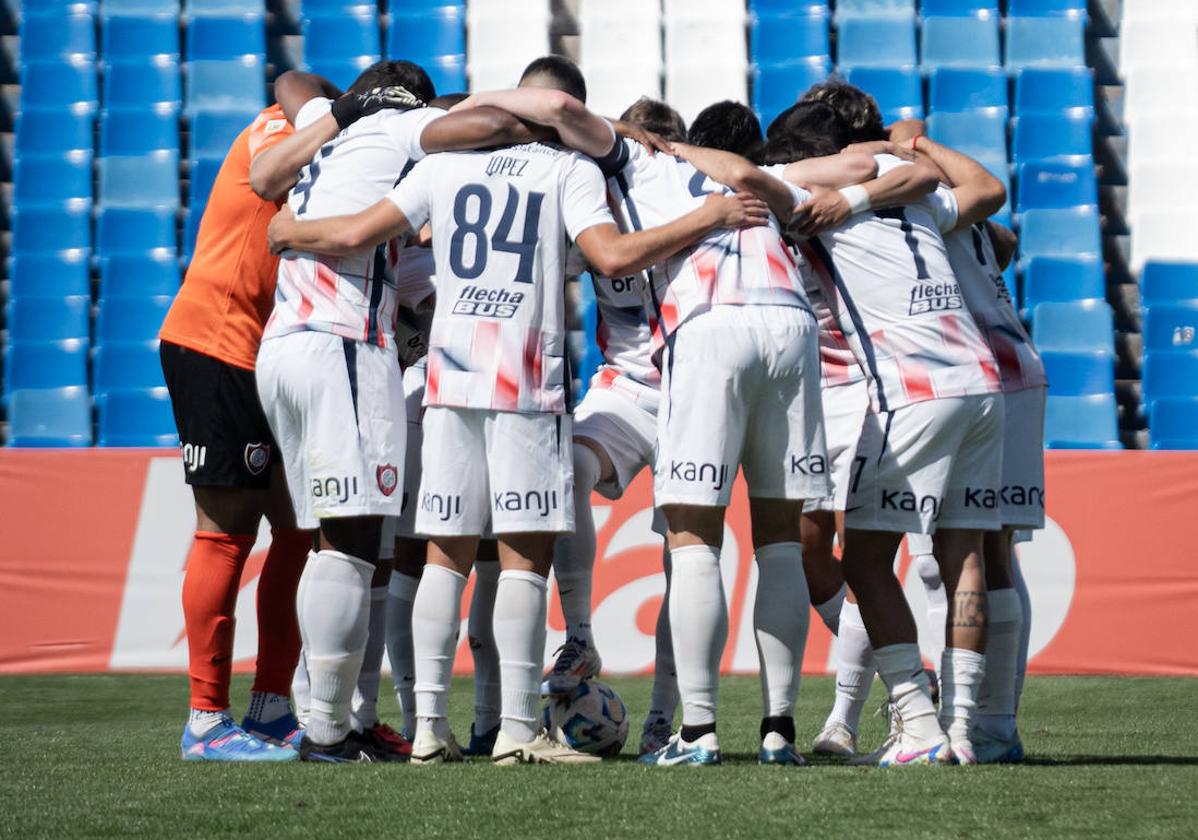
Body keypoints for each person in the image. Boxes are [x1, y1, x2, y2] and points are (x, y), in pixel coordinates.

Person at [265, 55, 769, 764]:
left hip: (448, 386)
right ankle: (514, 728)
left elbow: (357, 234)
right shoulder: (569, 172)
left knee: (443, 558)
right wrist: (707, 212)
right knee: (523, 561)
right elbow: (611, 255)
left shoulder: (441, 171)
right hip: (526, 386)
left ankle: (429, 731)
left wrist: (289, 233)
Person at [255, 58, 569, 763]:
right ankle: (329, 729)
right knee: (355, 540)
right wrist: (546, 126)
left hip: (283, 346)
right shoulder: (408, 127)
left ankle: (339, 717)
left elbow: (291, 80)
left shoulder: (334, 127)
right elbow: (483, 123)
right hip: (342, 343)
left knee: (340, 538)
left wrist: (346, 105)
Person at [160, 71, 410, 761]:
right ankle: (206, 721)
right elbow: (283, 121)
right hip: (215, 338)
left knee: (301, 531)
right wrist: (338, 115)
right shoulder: (286, 125)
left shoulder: (348, 157)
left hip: (275, 348)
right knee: (225, 530)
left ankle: (272, 707)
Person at [769, 98, 1009, 767]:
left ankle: (918, 722)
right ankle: (962, 730)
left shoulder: (818, 210)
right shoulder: (920, 207)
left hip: (912, 392)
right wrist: (896, 155)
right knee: (963, 556)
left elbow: (772, 178)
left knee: (868, 561)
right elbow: (977, 198)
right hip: (982, 382)